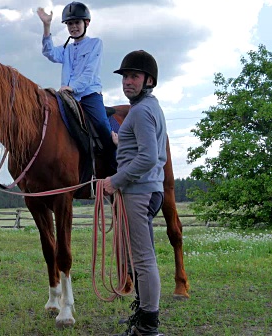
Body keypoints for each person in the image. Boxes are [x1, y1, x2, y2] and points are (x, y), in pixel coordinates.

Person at [103, 50, 166, 336]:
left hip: (138, 192)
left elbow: (149, 157)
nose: (128, 82)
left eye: (134, 76)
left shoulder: (140, 111)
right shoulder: (149, 108)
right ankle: (143, 318)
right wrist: (121, 143)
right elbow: (140, 150)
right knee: (141, 258)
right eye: (126, 77)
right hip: (146, 189)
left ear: (148, 80)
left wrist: (116, 180)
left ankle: (148, 328)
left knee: (142, 259)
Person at [37, 1, 116, 171]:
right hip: (67, 98)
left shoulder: (96, 43)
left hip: (89, 95)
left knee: (102, 125)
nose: (73, 27)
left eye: (77, 23)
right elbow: (49, 52)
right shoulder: (67, 49)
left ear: (86, 23)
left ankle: (115, 165)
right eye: (70, 24)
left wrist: (72, 87)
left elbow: (89, 73)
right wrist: (46, 25)